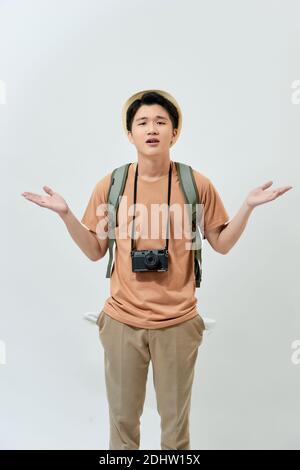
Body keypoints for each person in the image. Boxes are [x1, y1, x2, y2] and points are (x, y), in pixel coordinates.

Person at [21, 90, 293, 450]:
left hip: (179, 323)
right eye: (143, 123)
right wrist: (66, 214)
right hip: (121, 321)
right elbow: (94, 250)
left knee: (175, 431)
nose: (152, 129)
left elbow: (222, 244)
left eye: (161, 122)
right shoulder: (112, 185)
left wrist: (247, 207)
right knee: (122, 426)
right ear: (130, 134)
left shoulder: (196, 184)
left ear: (175, 133)